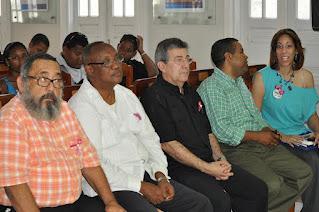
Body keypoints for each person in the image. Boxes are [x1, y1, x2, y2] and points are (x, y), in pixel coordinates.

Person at [68, 41, 213, 212]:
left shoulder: (126, 95)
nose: (116, 65)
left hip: (143, 173)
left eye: (117, 58)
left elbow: (150, 138)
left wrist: (160, 175)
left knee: (200, 204)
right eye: (107, 62)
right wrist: (141, 187)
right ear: (89, 69)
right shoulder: (81, 106)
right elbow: (94, 162)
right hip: (111, 185)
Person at [140, 38, 268, 212]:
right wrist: (207, 168)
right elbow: (169, 145)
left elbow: (208, 132)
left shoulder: (192, 93)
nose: (186, 65)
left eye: (187, 59)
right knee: (219, 200)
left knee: (256, 189)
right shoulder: (154, 97)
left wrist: (220, 158)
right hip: (179, 167)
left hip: (207, 160)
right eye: (179, 60)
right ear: (162, 66)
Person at [197, 37, 313, 212]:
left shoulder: (239, 82)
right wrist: (258, 136)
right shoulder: (212, 87)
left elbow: (255, 115)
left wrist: (268, 130)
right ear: (229, 57)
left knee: (304, 173)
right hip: (234, 148)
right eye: (241, 52)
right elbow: (222, 130)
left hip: (259, 142)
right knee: (273, 185)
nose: (246, 56)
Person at [0, 53, 125, 212]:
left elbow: (89, 161)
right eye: (43, 79)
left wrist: (110, 202)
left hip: (74, 202)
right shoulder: (10, 120)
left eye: (57, 80)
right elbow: (15, 186)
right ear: (22, 84)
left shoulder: (64, 109)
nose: (51, 88)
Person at [252, 28, 319, 212]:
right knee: (313, 161)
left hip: (301, 138)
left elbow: (310, 115)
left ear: (296, 50)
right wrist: (281, 136)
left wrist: (318, 131)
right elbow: (254, 119)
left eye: (289, 46)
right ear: (274, 51)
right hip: (274, 139)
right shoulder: (262, 77)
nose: (284, 51)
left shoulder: (305, 77)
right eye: (279, 47)